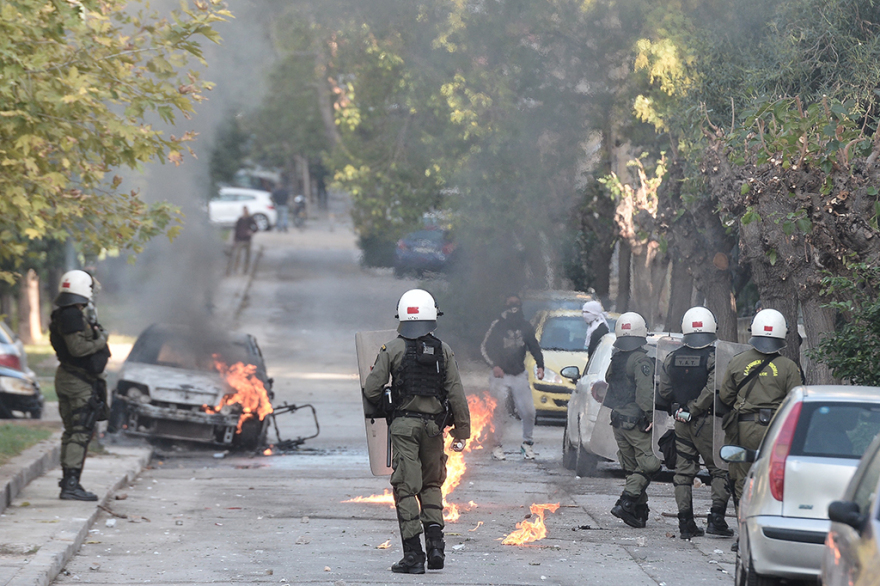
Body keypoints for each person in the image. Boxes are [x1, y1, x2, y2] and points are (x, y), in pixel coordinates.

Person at [363, 289, 471, 574]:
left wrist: (385, 403)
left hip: (404, 427)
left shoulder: (392, 349)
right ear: (432, 316)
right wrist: (461, 431)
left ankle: (413, 556)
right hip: (435, 428)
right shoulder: (443, 350)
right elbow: (456, 393)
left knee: (405, 486)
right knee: (431, 484)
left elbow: (372, 388)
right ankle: (436, 548)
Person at [657, 307, 733, 540]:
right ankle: (716, 519)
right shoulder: (715, 358)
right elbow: (713, 389)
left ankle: (685, 523)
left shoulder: (672, 357)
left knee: (683, 472)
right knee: (720, 469)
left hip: (681, 422)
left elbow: (664, 390)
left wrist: (680, 408)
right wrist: (695, 409)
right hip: (708, 421)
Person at [718, 308, 803, 504]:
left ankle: (744, 523)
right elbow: (795, 401)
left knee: (743, 478)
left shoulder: (737, 361)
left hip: (744, 428)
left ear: (752, 330)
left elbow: (725, 396)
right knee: (772, 474)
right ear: (783, 333)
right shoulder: (789, 366)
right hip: (775, 429)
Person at [48, 270, 111, 501]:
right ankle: (71, 485)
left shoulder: (65, 314)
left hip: (70, 377)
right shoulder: (71, 316)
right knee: (80, 431)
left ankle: (69, 482)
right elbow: (78, 349)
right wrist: (101, 340)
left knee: (74, 431)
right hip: (77, 381)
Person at [606, 311, 660, 528]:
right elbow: (645, 393)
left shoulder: (617, 357)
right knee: (650, 465)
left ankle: (639, 510)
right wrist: (651, 416)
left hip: (617, 421)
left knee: (631, 468)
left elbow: (608, 378)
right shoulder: (640, 359)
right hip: (635, 421)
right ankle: (626, 503)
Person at [480, 294, 544, 460]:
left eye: (516, 303)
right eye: (510, 303)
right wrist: (494, 365)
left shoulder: (526, 326)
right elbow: (484, 347)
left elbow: (534, 347)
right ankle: (496, 445)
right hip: (500, 375)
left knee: (529, 411)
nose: (514, 306)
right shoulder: (497, 325)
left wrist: (541, 365)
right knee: (498, 410)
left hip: (519, 374)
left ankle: (527, 444)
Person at [226, 206, 259, 275]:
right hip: (240, 240)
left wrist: (251, 231)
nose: (245, 212)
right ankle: (235, 269)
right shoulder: (240, 220)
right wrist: (235, 240)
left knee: (247, 256)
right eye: (244, 211)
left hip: (247, 240)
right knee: (238, 255)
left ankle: (245, 270)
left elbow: (256, 227)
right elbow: (236, 230)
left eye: (246, 211)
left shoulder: (250, 219)